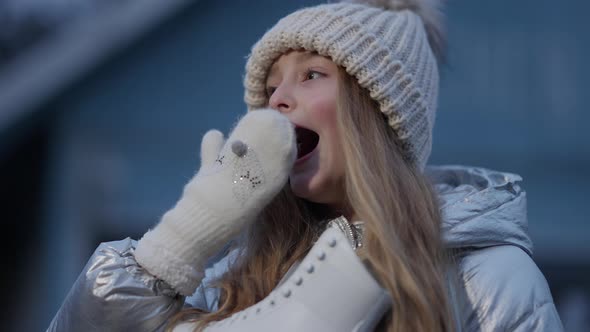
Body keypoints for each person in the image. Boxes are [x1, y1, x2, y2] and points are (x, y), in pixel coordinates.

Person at [47, 0, 564, 331]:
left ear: (378, 112)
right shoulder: (233, 277)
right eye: (271, 87)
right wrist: (186, 233)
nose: (277, 101)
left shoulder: (488, 282)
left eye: (311, 75)